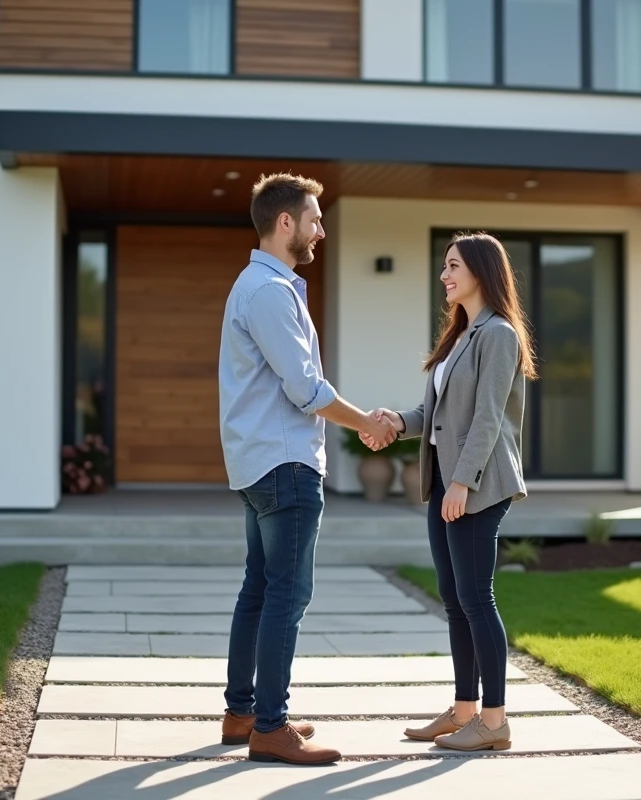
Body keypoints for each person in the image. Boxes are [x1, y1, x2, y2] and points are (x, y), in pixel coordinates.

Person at [217, 172, 397, 766]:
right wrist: (366, 423)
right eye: (315, 218)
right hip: (284, 462)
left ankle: (244, 711)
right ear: (285, 222)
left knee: (259, 589)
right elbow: (305, 390)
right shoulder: (268, 292)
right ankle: (270, 725)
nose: (322, 228)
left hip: (260, 461)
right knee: (286, 594)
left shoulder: (265, 286)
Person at [364, 231, 537, 752]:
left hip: (477, 483)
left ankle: (494, 721)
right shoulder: (461, 335)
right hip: (446, 480)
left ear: (481, 271)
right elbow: (439, 415)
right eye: (444, 266)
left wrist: (461, 482)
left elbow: (487, 419)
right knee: (455, 600)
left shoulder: (498, 334)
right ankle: (465, 710)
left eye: (453, 265)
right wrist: (397, 419)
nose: (445, 275)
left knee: (476, 598)